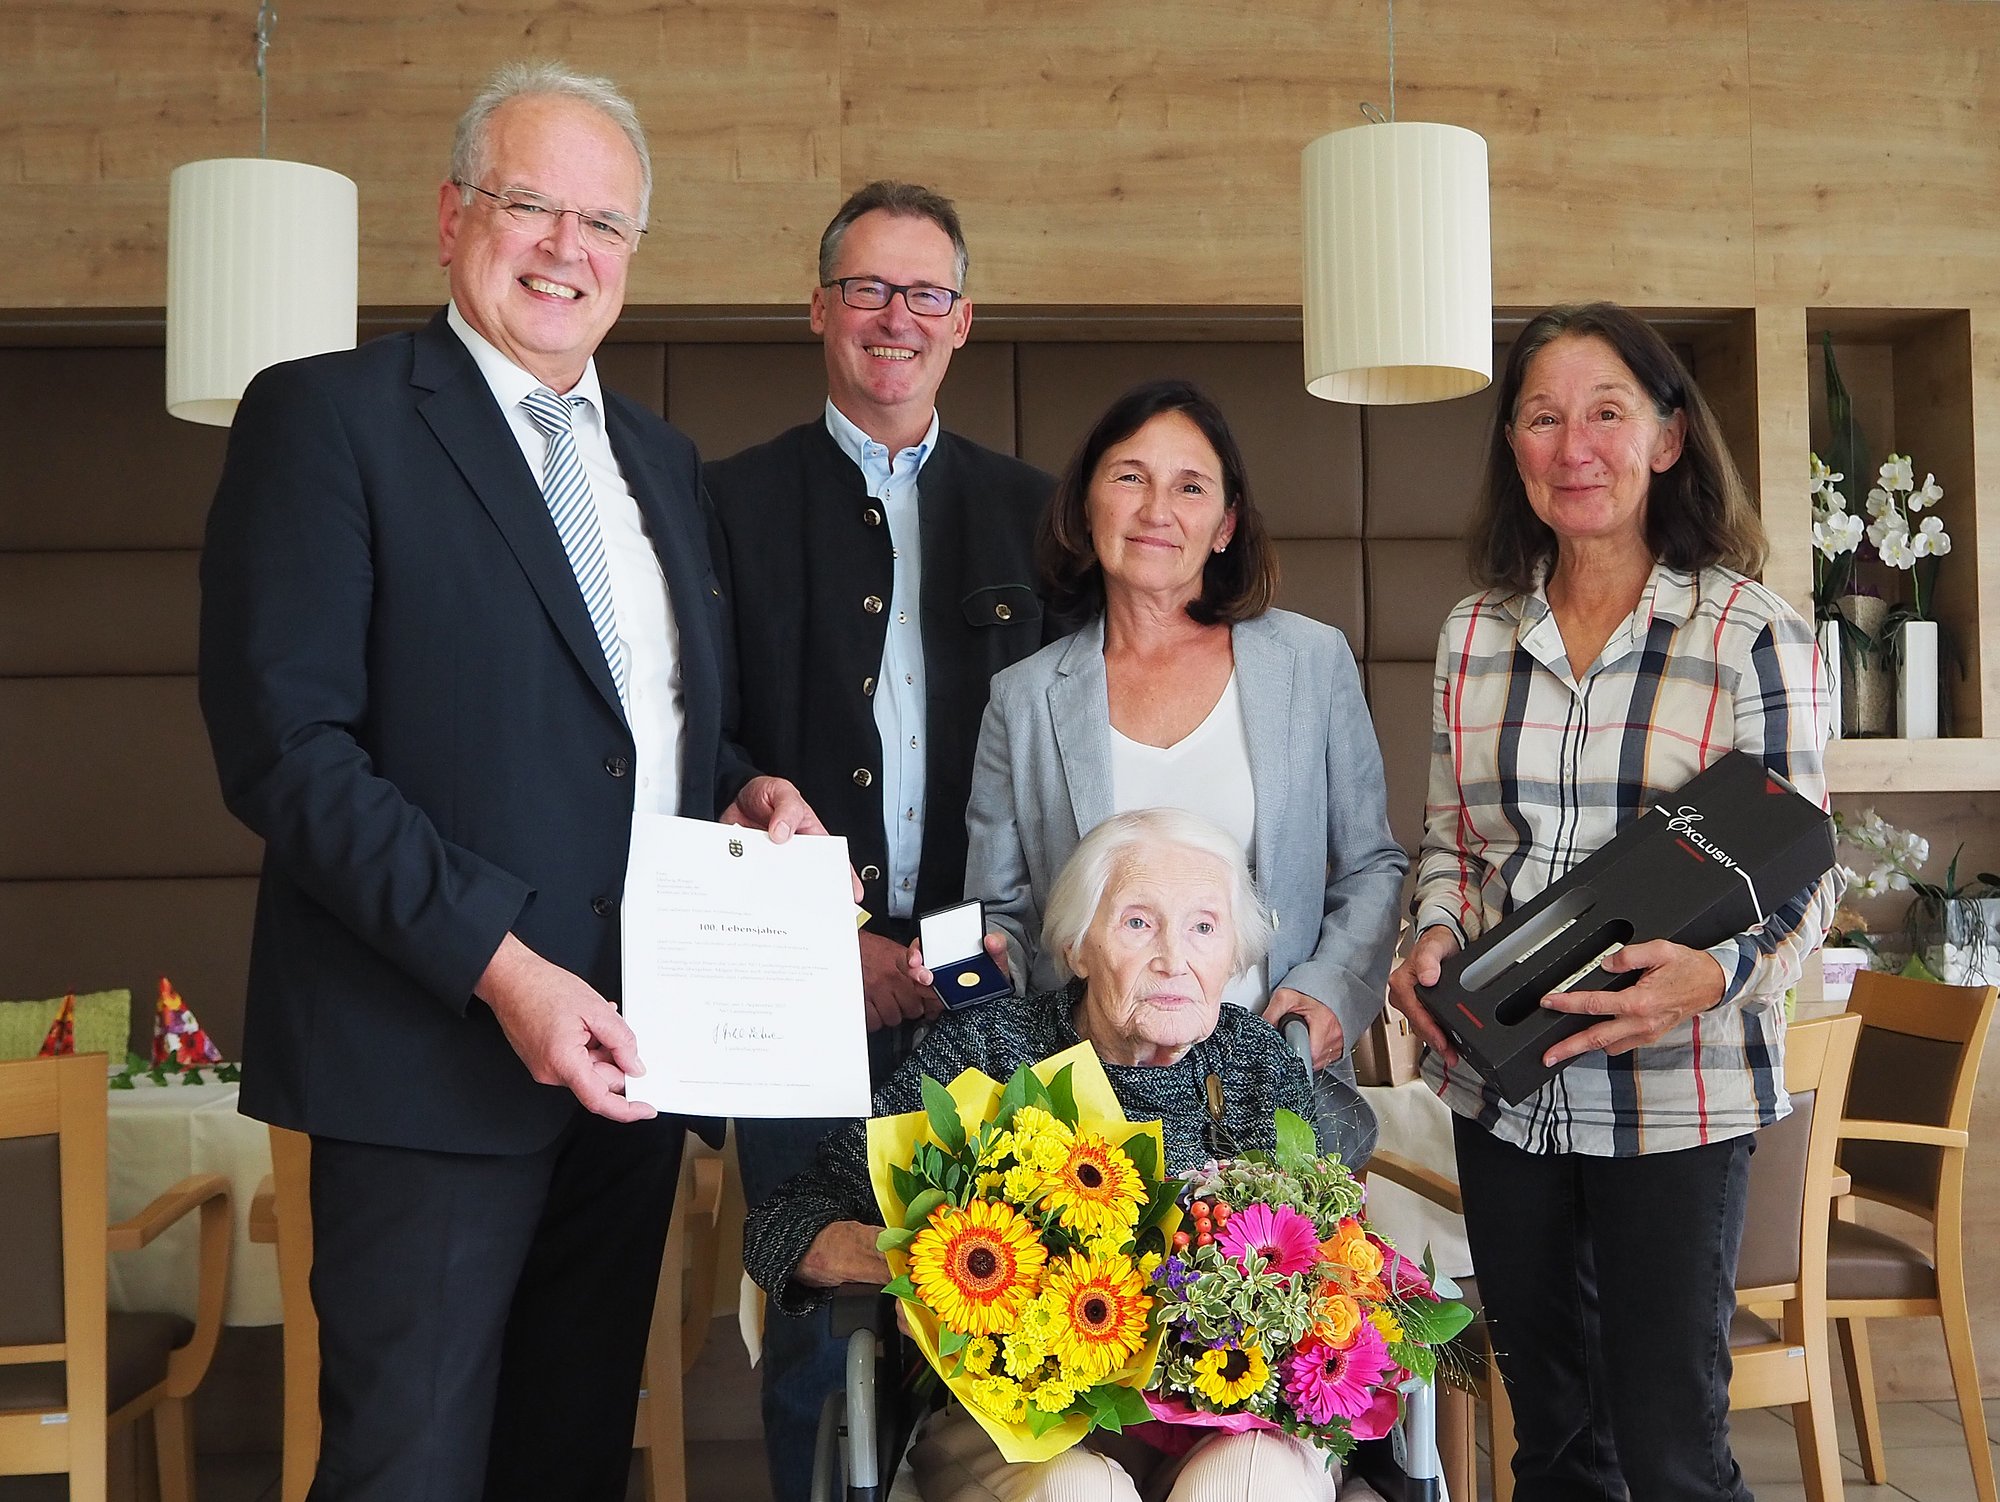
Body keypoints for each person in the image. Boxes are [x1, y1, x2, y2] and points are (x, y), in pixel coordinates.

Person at [198, 62, 826, 1501]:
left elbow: (655, 733)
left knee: (568, 1459)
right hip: (425, 1059)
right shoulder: (327, 418)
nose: (566, 246)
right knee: (405, 1470)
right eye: (528, 203)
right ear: (449, 218)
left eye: (603, 222)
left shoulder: (663, 463)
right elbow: (287, 750)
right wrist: (503, 967)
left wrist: (745, 796)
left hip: (634, 1060)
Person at [1384, 302, 1836, 1500]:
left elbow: (1807, 865)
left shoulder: (1747, 630)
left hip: (1676, 1094)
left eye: (1604, 412)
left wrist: (1719, 974)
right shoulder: (1471, 634)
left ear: (1667, 439)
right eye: (1540, 416)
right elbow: (1451, 841)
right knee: (1557, 1449)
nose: (1571, 444)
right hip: (1505, 1092)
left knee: (1670, 1453)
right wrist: (1430, 928)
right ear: (1512, 448)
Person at [706, 179, 1054, 1502]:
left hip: (989, 976)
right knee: (815, 1320)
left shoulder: (1039, 512)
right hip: (788, 980)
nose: (893, 317)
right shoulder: (727, 503)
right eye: (867, 287)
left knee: (1000, 1307)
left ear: (964, 322)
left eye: (924, 293)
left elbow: (1052, 775)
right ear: (818, 308)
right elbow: (700, 743)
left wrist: (931, 965)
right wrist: (835, 945)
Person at [746, 808, 1385, 1502]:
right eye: (1138, 923)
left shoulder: (1257, 1063)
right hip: (1017, 1424)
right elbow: (782, 1226)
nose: (1174, 958)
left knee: (1248, 1483)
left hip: (1230, 1421)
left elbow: (1321, 1257)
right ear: (1077, 947)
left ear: (1235, 955)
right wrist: (933, 1263)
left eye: (1204, 927)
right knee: (1078, 1490)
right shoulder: (990, 1053)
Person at [953, 378, 1406, 1166]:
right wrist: (986, 961)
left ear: (1225, 524)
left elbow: (1371, 863)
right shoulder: (1023, 701)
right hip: (1082, 1113)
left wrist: (1330, 992)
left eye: (1189, 486)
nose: (1156, 509)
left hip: (1275, 1085)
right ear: (1085, 506)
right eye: (1130, 477)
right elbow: (999, 911)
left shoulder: (1310, 661)